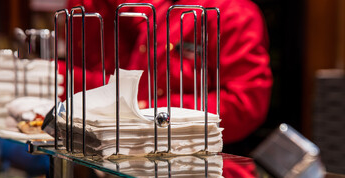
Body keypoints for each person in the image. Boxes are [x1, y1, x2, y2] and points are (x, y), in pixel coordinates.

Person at [59, 0, 273, 146]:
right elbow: (137, 88)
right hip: (149, 158)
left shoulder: (236, 12)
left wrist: (154, 111)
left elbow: (245, 105)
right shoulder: (164, 11)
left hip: (209, 169)